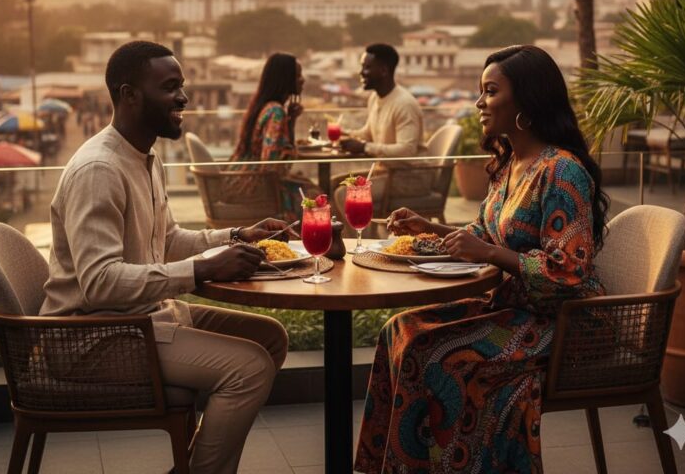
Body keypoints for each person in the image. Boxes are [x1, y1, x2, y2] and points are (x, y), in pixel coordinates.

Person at [355, 45, 609, 474]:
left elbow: (567, 272)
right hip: (512, 308)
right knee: (399, 328)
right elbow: (483, 234)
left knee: (434, 353)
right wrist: (430, 229)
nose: (479, 102)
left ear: (526, 100)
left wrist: (490, 253)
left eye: (490, 91)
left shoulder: (561, 170)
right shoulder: (512, 163)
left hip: (561, 323)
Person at [41, 41, 292, 474]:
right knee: (248, 368)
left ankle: (190, 465)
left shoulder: (144, 156)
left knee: (270, 338)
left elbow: (168, 238)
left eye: (182, 85)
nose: (184, 98)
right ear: (129, 95)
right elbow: (100, 283)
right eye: (170, 87)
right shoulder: (99, 170)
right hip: (93, 337)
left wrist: (234, 235)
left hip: (141, 318)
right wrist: (202, 270)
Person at [333, 43, 429, 220]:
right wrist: (346, 134)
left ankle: (363, 241)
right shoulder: (375, 98)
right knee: (334, 183)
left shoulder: (404, 104)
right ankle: (355, 237)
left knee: (344, 194)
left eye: (367, 67)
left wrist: (364, 147)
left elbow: (406, 150)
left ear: (384, 70)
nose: (361, 72)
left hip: (408, 177)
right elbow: (369, 133)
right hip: (385, 172)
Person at [229, 52, 320, 220]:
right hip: (258, 189)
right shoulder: (276, 112)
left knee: (310, 188)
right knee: (318, 199)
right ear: (286, 79)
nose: (303, 79)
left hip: (244, 180)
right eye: (298, 75)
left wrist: (291, 122)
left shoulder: (266, 107)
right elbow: (271, 166)